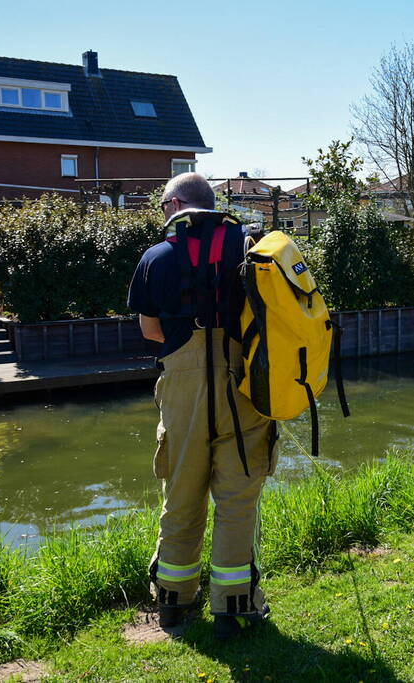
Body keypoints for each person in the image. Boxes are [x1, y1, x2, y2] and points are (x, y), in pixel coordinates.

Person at [127, 172, 278, 639]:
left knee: (182, 494)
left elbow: (150, 333)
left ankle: (174, 603)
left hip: (184, 385)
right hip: (245, 384)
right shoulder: (250, 250)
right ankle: (235, 608)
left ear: (174, 205)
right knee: (237, 498)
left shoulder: (155, 257)